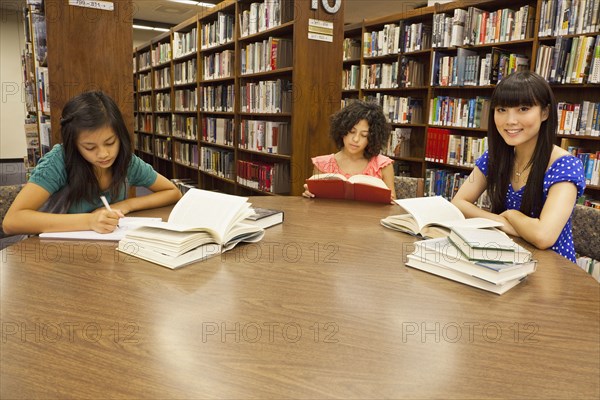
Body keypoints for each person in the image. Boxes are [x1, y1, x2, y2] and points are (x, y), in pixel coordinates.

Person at [3, 91, 182, 235]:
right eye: (90, 147)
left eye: (110, 142)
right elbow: (12, 222)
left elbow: (172, 192)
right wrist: (89, 221)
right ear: (74, 145)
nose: (104, 154)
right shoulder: (58, 162)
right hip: (55, 255)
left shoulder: (126, 161)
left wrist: (125, 205)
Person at [451, 71, 585, 262]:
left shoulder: (565, 165)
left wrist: (512, 215)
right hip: (506, 256)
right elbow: (458, 202)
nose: (510, 120)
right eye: (501, 110)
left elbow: (544, 236)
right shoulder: (495, 156)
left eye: (523, 109)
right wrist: (505, 223)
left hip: (552, 268)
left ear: (545, 112)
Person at [302, 100, 396, 200]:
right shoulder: (322, 164)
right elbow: (315, 204)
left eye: (364, 135)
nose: (355, 139)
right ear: (342, 130)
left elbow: (393, 204)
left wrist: (390, 200)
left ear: (373, 138)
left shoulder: (383, 165)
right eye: (351, 131)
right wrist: (309, 196)